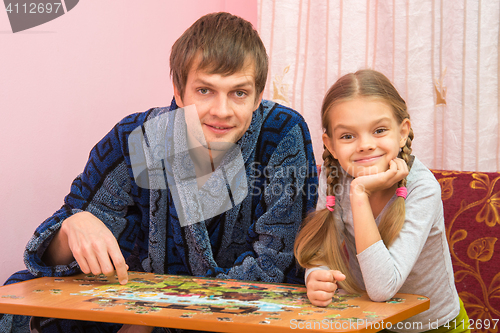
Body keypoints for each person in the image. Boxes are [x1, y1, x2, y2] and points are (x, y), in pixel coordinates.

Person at [1, 12, 318, 333]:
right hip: (131, 311)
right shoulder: (139, 137)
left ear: (257, 97)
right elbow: (56, 264)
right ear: (179, 92)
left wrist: (158, 320)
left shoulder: (280, 135)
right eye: (205, 90)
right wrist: (72, 227)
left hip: (236, 318)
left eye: (239, 93)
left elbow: (279, 264)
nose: (222, 111)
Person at [294, 69, 469, 333]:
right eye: (347, 136)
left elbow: (383, 288)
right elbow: (322, 246)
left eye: (379, 130)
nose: (365, 145)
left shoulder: (422, 188)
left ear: (402, 132)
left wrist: (359, 193)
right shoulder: (333, 177)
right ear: (330, 145)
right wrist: (315, 276)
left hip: (433, 325)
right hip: (370, 321)